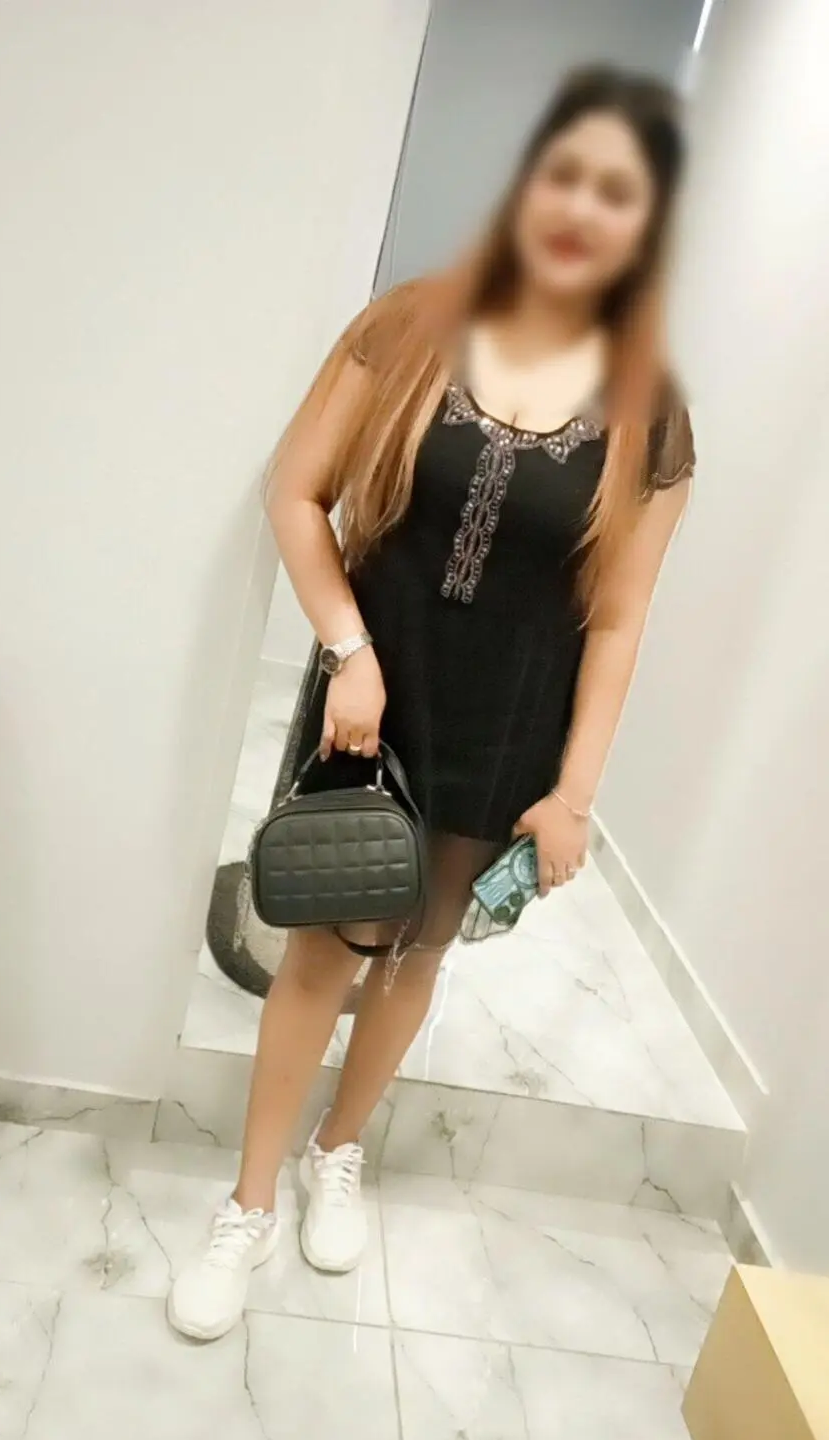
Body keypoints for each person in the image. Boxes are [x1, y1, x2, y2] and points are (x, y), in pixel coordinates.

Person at [168, 65, 695, 1341]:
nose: (581, 207)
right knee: (325, 947)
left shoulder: (652, 410)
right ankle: (248, 1204)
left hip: (510, 720)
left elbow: (617, 618)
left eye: (617, 192)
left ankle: (337, 1149)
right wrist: (347, 648)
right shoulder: (406, 326)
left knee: (417, 954)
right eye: (565, 174)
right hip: (376, 695)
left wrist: (574, 794)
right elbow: (296, 493)